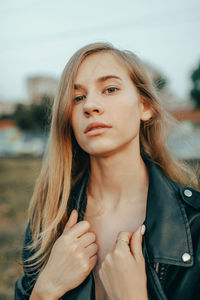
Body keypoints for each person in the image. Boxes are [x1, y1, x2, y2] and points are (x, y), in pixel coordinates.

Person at [15, 42, 200, 300]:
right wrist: (44, 291)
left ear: (145, 106)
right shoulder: (49, 215)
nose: (90, 105)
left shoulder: (194, 222)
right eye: (77, 97)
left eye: (110, 89)